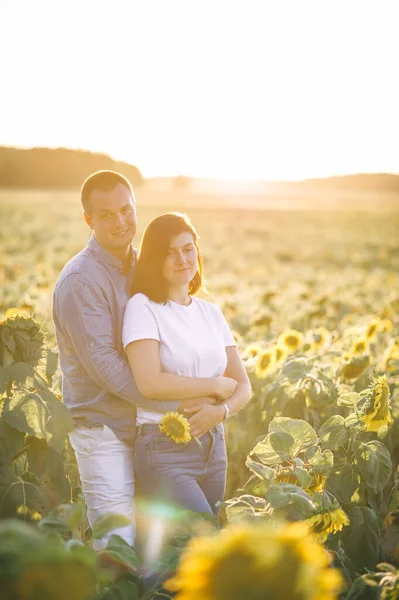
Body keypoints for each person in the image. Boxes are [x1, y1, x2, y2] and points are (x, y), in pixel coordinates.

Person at [52, 171, 185, 550]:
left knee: (157, 545)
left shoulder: (146, 266)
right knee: (117, 545)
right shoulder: (80, 280)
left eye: (126, 210)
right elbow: (106, 367)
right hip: (103, 430)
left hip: (148, 426)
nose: (120, 222)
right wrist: (177, 405)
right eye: (106, 215)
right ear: (89, 221)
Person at [122, 212, 252, 517]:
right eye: (170, 252)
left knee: (189, 555)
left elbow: (244, 386)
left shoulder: (211, 313)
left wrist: (220, 411)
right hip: (163, 446)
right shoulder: (143, 307)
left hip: (213, 446)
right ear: (155, 259)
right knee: (203, 536)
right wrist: (215, 385)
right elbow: (150, 382)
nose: (182, 259)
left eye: (188, 249)